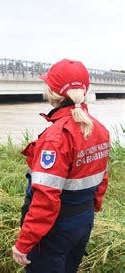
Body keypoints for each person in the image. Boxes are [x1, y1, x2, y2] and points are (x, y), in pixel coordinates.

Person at [11, 59, 110, 272]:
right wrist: (87, 212)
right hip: (82, 223)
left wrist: (24, 243)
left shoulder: (56, 138)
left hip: (54, 232)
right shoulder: (99, 129)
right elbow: (102, 180)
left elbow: (45, 198)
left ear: (53, 92)